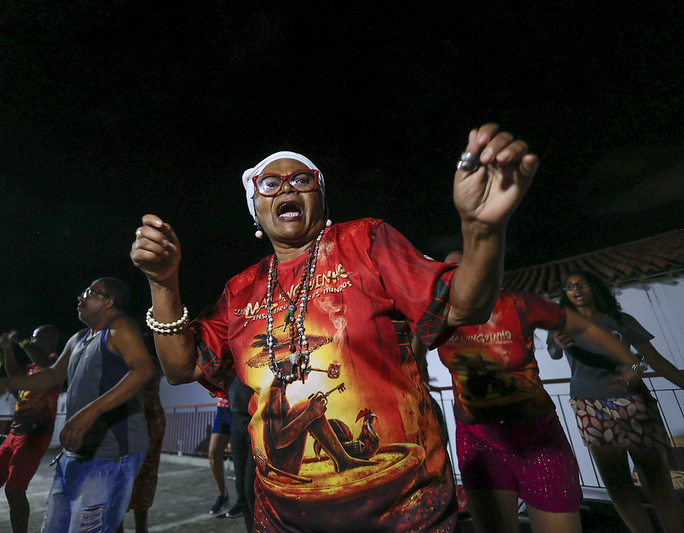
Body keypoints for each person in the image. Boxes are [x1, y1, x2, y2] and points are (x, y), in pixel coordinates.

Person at [131, 123, 539, 531]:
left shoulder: (366, 240)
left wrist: (482, 230)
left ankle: (349, 458)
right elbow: (181, 368)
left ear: (321, 197)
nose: (287, 189)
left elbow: (464, 306)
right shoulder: (239, 291)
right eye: (270, 184)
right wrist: (162, 283)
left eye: (301, 180)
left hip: (403, 511)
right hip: (284, 518)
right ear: (255, 209)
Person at [436, 252, 651, 533]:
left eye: (466, 266)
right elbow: (406, 352)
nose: (458, 274)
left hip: (537, 436)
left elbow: (583, 325)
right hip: (478, 440)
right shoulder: (438, 316)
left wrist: (632, 361)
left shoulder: (517, 304)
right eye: (450, 269)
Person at [0, 277, 154, 533]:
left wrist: (90, 413)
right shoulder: (79, 338)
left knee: (89, 526)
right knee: (59, 525)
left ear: (108, 302)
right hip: (79, 449)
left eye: (89, 292)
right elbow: (52, 374)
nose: (80, 297)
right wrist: (6, 384)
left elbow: (143, 370)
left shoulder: (121, 328)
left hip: (113, 449)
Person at [549, 270, 684, 533]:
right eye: (569, 286)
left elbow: (652, 358)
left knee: (658, 485)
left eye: (582, 284)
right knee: (618, 487)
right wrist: (556, 341)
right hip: (590, 408)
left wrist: (639, 367)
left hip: (634, 404)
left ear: (595, 288)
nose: (575, 289)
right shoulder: (563, 325)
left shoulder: (621, 320)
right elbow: (553, 351)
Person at [0, 325, 61, 533]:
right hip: (15, 433)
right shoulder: (32, 367)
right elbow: (14, 374)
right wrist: (7, 350)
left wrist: (21, 340)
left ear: (49, 340)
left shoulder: (55, 364)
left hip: (35, 435)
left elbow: (44, 363)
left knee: (14, 490)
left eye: (35, 337)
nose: (31, 339)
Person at [118, 338, 166, 533]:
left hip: (147, 423)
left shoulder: (150, 363)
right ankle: (120, 525)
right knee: (121, 478)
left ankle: (140, 527)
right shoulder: (126, 362)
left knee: (142, 475)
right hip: (129, 423)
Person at [227, 377, 256, 531]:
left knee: (251, 488)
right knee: (241, 489)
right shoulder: (227, 355)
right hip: (237, 416)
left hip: (258, 416)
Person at [207, 390, 232, 514]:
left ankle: (246, 500)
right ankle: (222, 495)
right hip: (221, 409)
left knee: (243, 456)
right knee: (213, 453)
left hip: (237, 408)